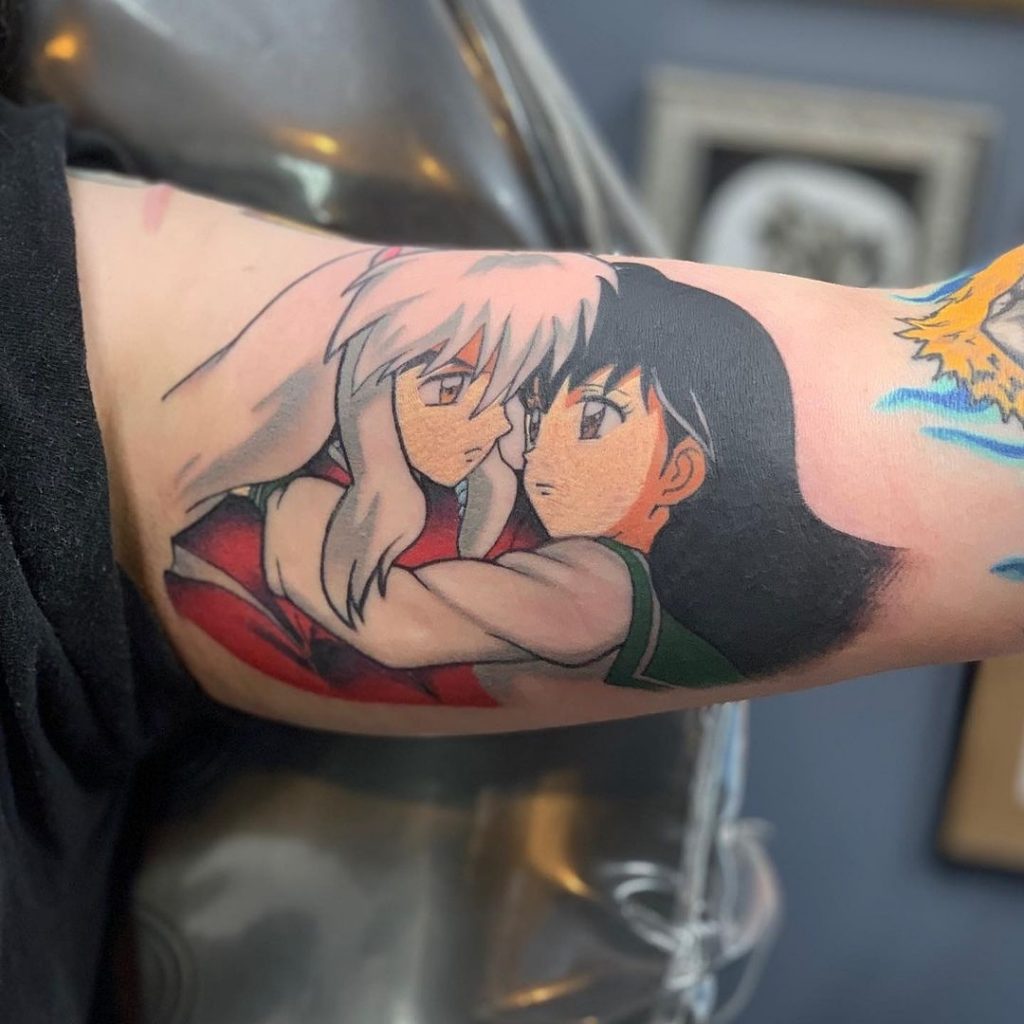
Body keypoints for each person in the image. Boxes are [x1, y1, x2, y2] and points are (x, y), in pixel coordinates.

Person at [3, 95, 1024, 1023]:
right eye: (539, 409)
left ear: (679, 470)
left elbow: (382, 622)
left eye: (592, 416)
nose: (531, 443)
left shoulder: (594, 586)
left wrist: (308, 509)